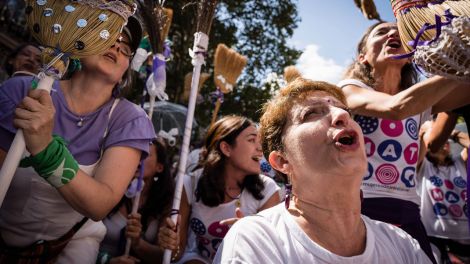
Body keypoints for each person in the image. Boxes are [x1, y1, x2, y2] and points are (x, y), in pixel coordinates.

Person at [214, 78, 430, 263]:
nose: (341, 116)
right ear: (282, 161)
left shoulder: (404, 245)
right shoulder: (255, 242)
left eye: (345, 110)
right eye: (310, 114)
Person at [0, 16, 155, 263]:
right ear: (81, 42)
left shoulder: (130, 120)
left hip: (69, 245)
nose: (116, 46)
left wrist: (45, 148)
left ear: (128, 65)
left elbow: (99, 205)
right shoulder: (22, 90)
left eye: (125, 47)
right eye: (107, 36)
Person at [337, 21, 470, 263]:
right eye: (381, 32)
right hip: (359, 208)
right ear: (362, 57)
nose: (392, 34)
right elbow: (396, 107)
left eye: (399, 32)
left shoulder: (423, 101)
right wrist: (459, 58)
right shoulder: (349, 90)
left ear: (410, 57)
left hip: (409, 211)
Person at [159, 115, 280, 263]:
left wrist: (248, 238)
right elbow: (176, 254)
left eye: (260, 141)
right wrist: (170, 244)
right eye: (251, 140)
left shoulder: (268, 190)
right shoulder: (189, 184)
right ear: (226, 148)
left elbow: (269, 255)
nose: (260, 148)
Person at [98, 138, 175, 264]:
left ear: (159, 167)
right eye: (137, 153)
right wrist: (108, 261)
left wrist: (138, 243)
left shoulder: (164, 203)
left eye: (146, 154)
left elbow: (164, 256)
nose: (139, 158)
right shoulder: (111, 188)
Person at [418, 115, 470, 264]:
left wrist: (450, 131)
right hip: (434, 238)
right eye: (441, 138)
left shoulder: (461, 163)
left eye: (447, 140)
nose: (444, 142)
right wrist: (424, 132)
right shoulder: (423, 167)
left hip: (465, 239)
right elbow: (418, 146)